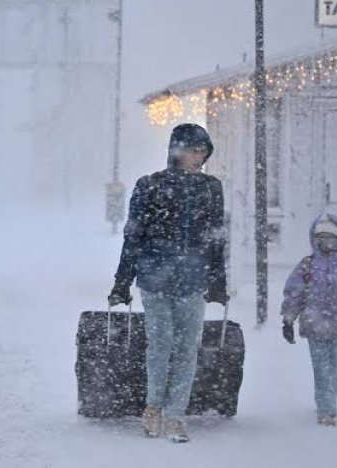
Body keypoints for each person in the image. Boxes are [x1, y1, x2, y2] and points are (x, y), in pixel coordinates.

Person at [108, 123, 228, 443]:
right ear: (176, 151)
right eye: (193, 151)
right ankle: (153, 407)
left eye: (203, 152)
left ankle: (176, 415)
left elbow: (217, 238)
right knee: (159, 346)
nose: (198, 158)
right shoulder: (150, 186)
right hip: (155, 279)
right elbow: (133, 236)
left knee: (188, 349)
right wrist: (122, 281)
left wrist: (217, 279)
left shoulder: (211, 188)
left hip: (193, 280)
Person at [281, 214, 337, 427]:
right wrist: (288, 320)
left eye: (332, 238)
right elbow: (294, 293)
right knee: (321, 369)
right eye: (322, 238)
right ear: (315, 239)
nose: (328, 243)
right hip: (315, 327)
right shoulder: (307, 266)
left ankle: (329, 404)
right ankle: (325, 409)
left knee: (334, 368)